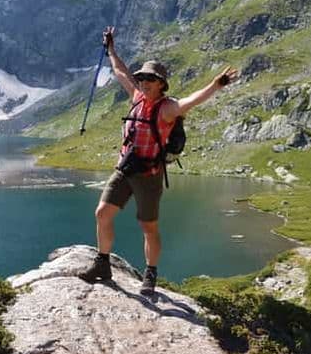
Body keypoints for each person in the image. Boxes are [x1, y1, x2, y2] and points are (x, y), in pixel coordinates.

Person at [78, 26, 239, 295]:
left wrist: (216, 84)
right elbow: (120, 72)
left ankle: (150, 274)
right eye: (142, 78)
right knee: (102, 213)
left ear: (161, 83)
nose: (143, 82)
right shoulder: (137, 98)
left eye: (150, 79)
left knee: (148, 227)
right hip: (125, 169)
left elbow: (193, 101)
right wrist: (111, 50)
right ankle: (102, 264)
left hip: (149, 175)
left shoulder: (168, 108)